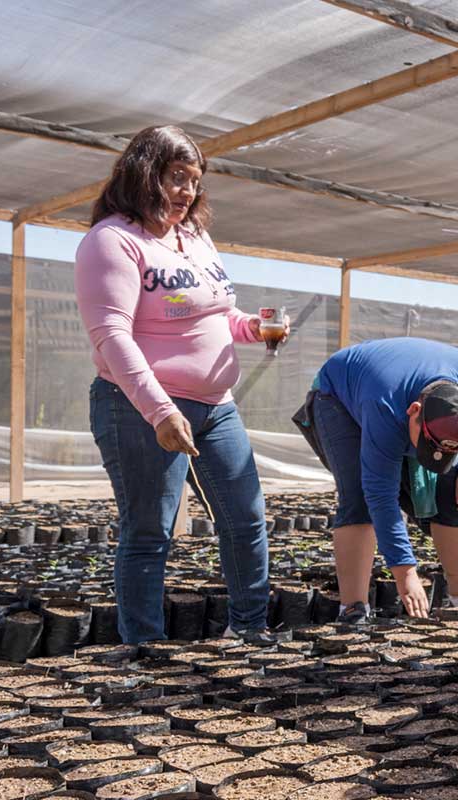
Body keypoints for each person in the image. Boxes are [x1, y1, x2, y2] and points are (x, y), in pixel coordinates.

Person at [75, 125, 285, 646]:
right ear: (144, 173)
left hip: (216, 405)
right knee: (150, 531)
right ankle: (144, 648)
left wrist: (250, 329)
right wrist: (160, 411)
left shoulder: (193, 237)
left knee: (247, 517)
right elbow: (111, 336)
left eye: (194, 181)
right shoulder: (112, 241)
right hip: (137, 405)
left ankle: (249, 630)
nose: (187, 191)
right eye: (176, 177)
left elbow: (215, 313)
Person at [296, 338, 458, 622]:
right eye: (428, 445)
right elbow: (380, 494)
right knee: (359, 495)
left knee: (450, 491)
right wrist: (405, 571)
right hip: (337, 397)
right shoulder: (384, 406)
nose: (432, 456)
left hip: (406, 386)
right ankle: (352, 610)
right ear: (414, 412)